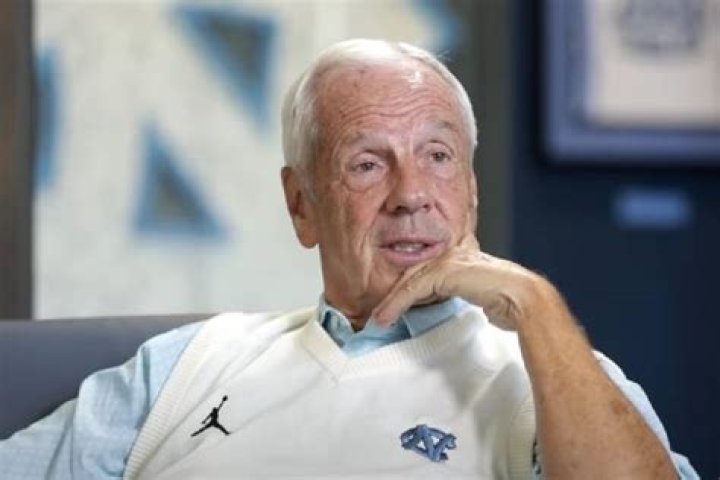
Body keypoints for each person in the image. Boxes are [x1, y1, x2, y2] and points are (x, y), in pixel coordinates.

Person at [0, 39, 698, 479]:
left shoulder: (550, 377)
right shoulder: (183, 366)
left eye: (438, 156)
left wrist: (536, 305)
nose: (411, 194)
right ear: (301, 204)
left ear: (472, 188)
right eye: (367, 164)